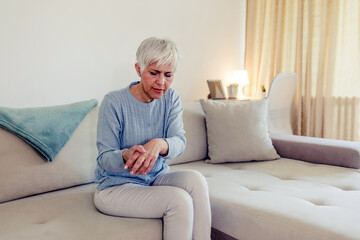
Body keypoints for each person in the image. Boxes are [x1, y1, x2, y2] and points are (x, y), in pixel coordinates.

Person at [93, 37, 211, 240]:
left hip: (155, 178)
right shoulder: (113, 102)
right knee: (179, 201)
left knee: (196, 180)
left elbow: (179, 141)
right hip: (114, 186)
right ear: (139, 70)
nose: (161, 82)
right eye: (154, 73)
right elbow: (104, 158)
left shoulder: (171, 98)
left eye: (168, 75)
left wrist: (161, 143)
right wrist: (125, 155)